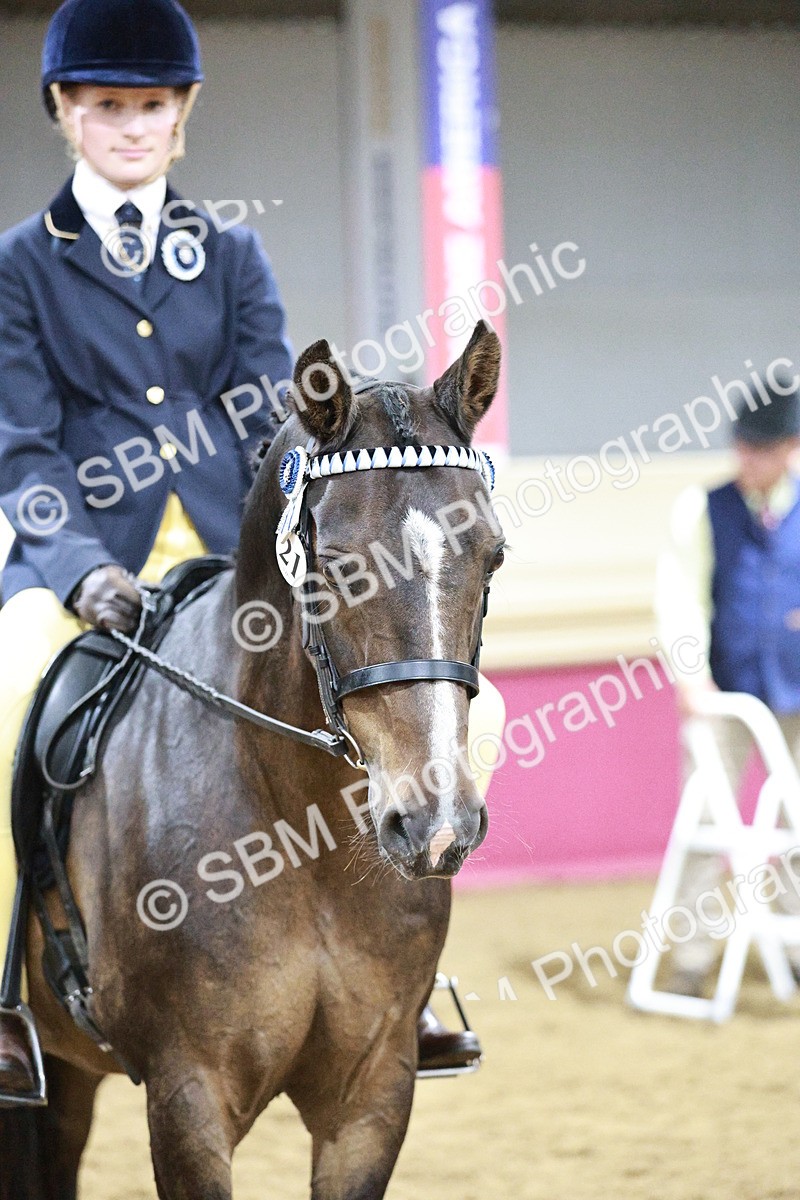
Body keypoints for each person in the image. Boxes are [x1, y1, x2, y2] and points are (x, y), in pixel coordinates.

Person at [0, 0, 494, 1101]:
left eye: (152, 106)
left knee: (429, 698)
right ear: (65, 111)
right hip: (84, 570)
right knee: (4, 702)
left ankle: (404, 981)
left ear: (182, 116)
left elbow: (271, 422)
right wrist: (79, 567)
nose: (132, 125)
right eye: (108, 105)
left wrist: (304, 532)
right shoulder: (22, 264)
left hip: (238, 564)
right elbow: (23, 448)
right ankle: (4, 1000)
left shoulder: (230, 253)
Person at [656, 374, 800, 996]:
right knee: (705, 820)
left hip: (796, 689)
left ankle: (795, 943)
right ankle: (692, 958)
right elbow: (680, 597)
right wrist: (691, 676)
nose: (748, 460)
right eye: (742, 446)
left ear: (790, 447)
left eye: (762, 449)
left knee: (797, 822)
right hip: (726, 694)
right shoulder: (702, 508)